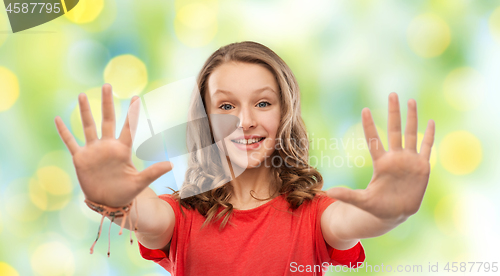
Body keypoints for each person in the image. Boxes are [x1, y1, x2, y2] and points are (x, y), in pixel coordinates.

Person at [54, 41, 435, 276]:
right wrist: (112, 195)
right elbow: (145, 215)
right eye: (226, 106)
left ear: (285, 113)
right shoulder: (181, 217)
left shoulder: (315, 214)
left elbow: (356, 219)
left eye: (263, 102)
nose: (246, 121)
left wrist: (392, 211)